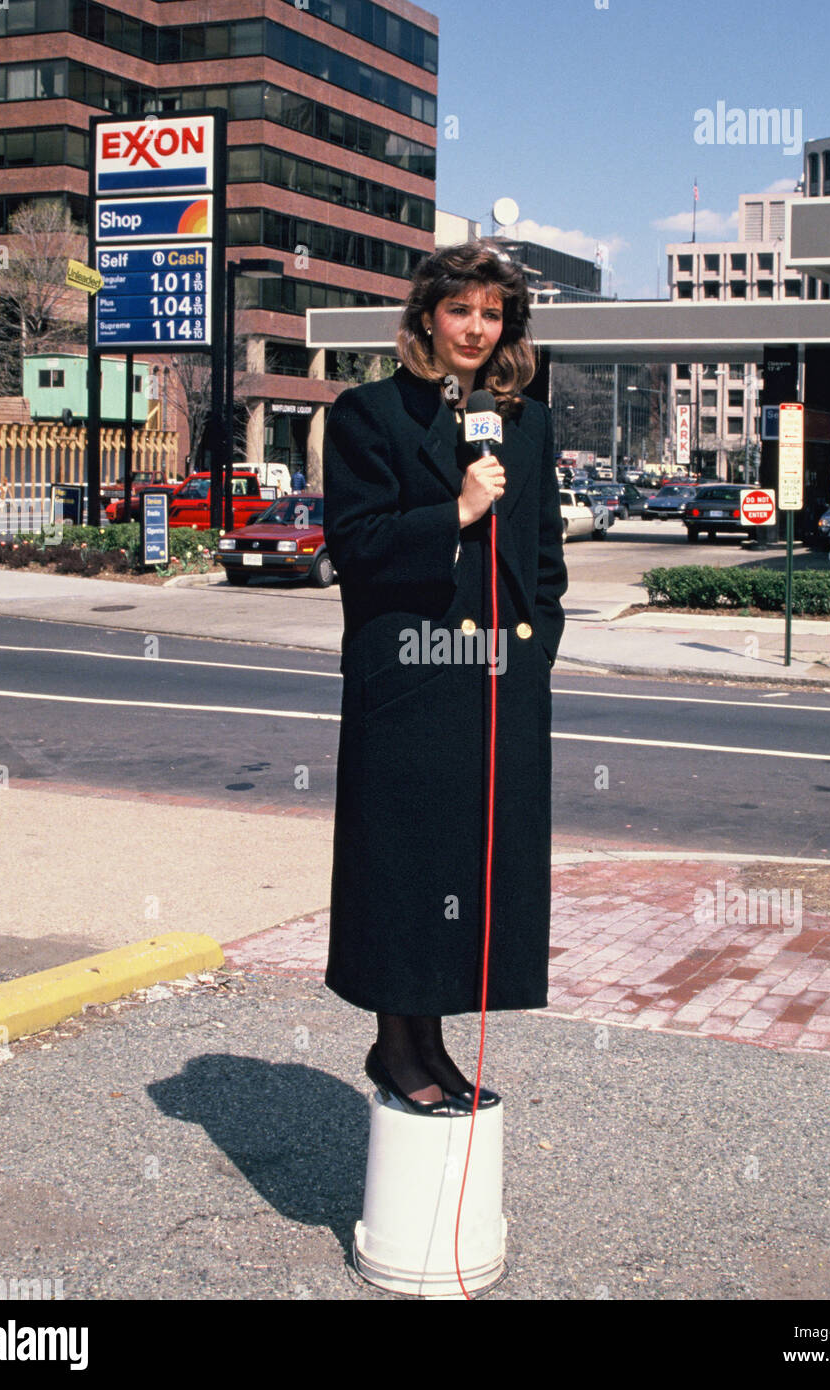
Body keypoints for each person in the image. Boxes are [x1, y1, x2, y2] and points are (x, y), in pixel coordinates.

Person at [322, 242, 568, 1116]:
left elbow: (544, 560)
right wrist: (454, 511)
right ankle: (397, 1042)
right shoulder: (367, 412)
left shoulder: (525, 421)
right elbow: (353, 548)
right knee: (410, 863)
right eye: (459, 309)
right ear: (427, 315)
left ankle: (431, 1037)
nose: (474, 327)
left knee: (475, 861)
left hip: (500, 682)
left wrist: (535, 649)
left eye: (491, 313)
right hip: (412, 681)